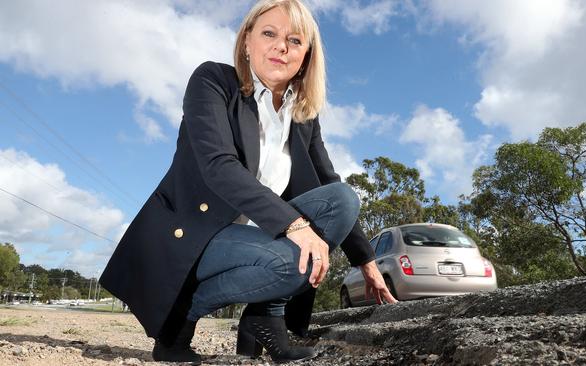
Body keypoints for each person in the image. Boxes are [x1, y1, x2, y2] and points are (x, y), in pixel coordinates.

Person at [99, 0, 397, 363]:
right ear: (247, 42)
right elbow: (218, 165)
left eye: (295, 40)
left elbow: (328, 182)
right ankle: (178, 320)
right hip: (195, 232)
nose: (281, 46)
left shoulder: (303, 117)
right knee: (291, 262)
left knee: (342, 199)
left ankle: (262, 318)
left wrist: (366, 262)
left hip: (254, 232)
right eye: (268, 33)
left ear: (306, 55)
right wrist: (295, 224)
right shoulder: (213, 81)